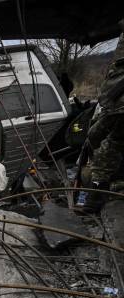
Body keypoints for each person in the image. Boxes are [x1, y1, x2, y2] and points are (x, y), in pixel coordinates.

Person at [78, 19, 124, 215]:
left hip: (116, 110)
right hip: (114, 109)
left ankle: (95, 197)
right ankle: (96, 195)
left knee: (108, 146)